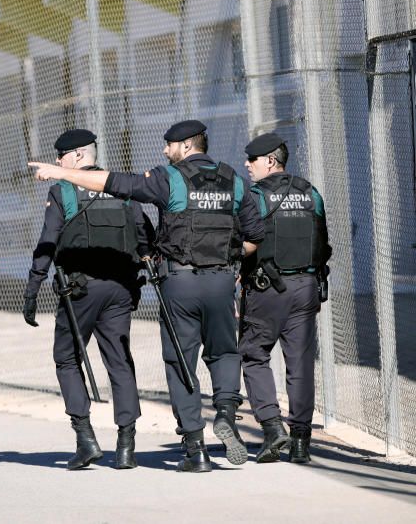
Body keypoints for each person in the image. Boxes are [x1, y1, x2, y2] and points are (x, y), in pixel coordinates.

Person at [29, 120, 265, 472]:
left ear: (185, 146)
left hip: (170, 283)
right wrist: (227, 261)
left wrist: (59, 175)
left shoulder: (168, 178)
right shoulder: (234, 179)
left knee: (179, 362)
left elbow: (115, 185)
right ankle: (223, 414)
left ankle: (193, 449)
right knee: (222, 352)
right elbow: (255, 235)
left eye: (168, 145)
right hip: (211, 281)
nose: (164, 150)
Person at [23, 129, 154, 470]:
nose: (57, 162)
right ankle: (126, 446)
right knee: (120, 361)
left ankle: (85, 438)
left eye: (62, 156)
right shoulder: (120, 188)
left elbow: (47, 242)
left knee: (66, 358)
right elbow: (144, 238)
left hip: (79, 290)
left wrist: (33, 288)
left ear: (78, 157)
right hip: (120, 289)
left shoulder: (63, 190)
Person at [239, 133, 332, 464]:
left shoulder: (254, 197)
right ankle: (301, 442)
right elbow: (322, 242)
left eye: (251, 160)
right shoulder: (310, 192)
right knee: (301, 365)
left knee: (253, 354)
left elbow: (244, 242)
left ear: (269, 161)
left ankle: (271, 428)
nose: (247, 165)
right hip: (307, 286)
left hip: (267, 289)